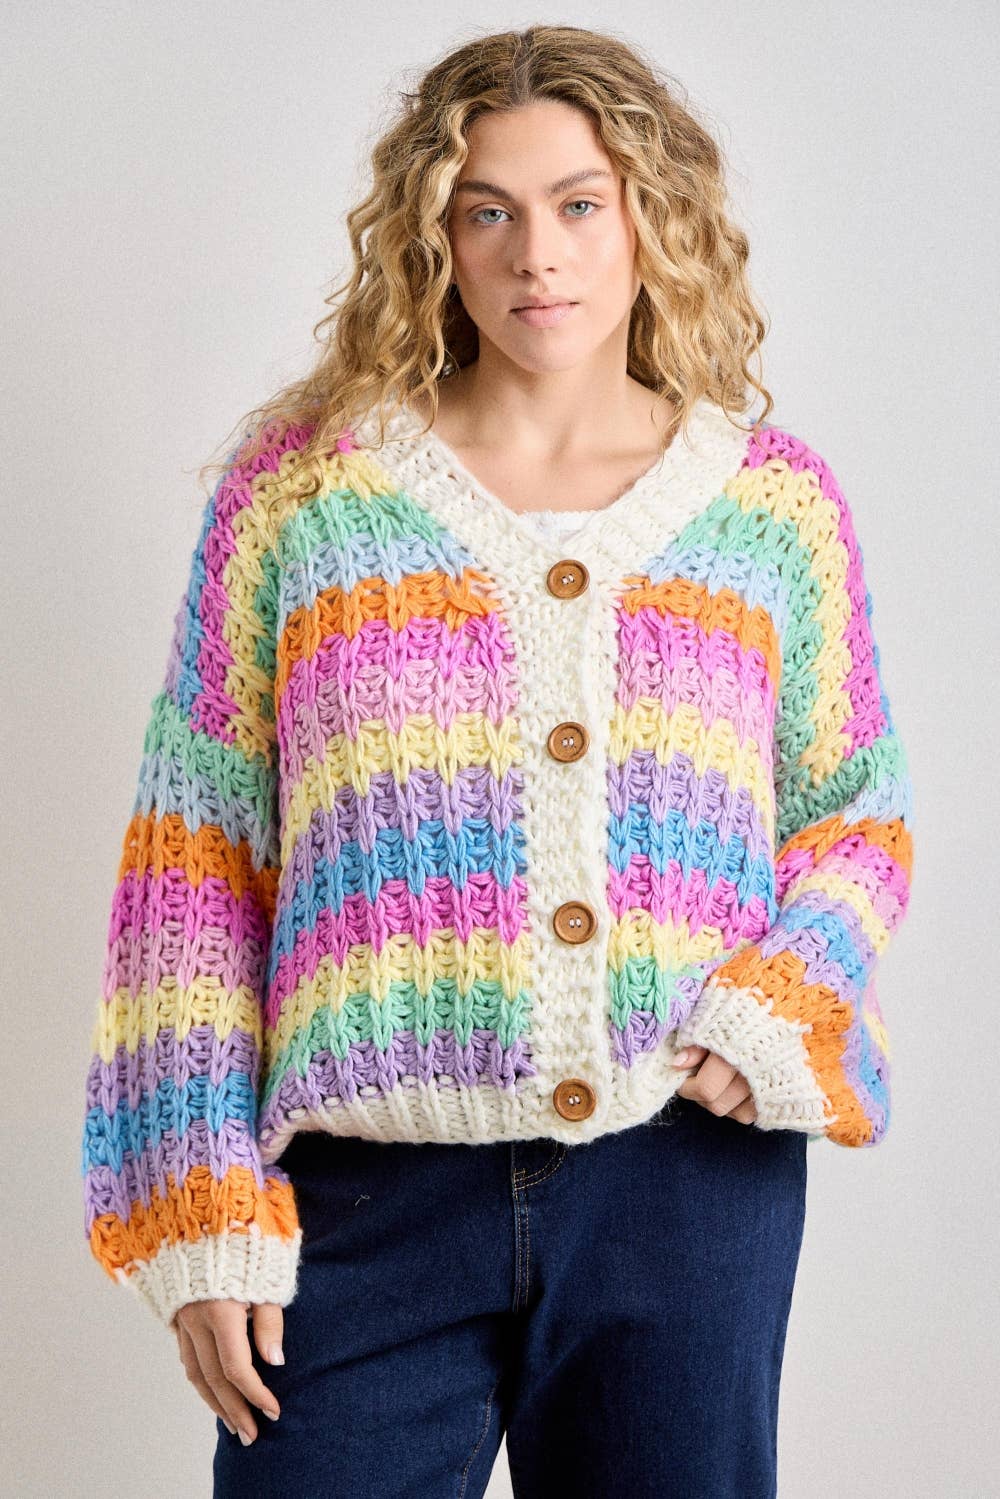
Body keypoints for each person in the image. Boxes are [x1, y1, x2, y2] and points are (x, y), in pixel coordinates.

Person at [80, 24, 915, 1499]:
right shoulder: (303, 498)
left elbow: (856, 814)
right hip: (364, 1198)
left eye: (581, 203)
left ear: (652, 217)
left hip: (679, 1186)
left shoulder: (771, 508)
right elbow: (195, 864)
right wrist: (196, 1196)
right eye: (490, 211)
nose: (540, 254)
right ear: (435, 238)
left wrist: (783, 1001)